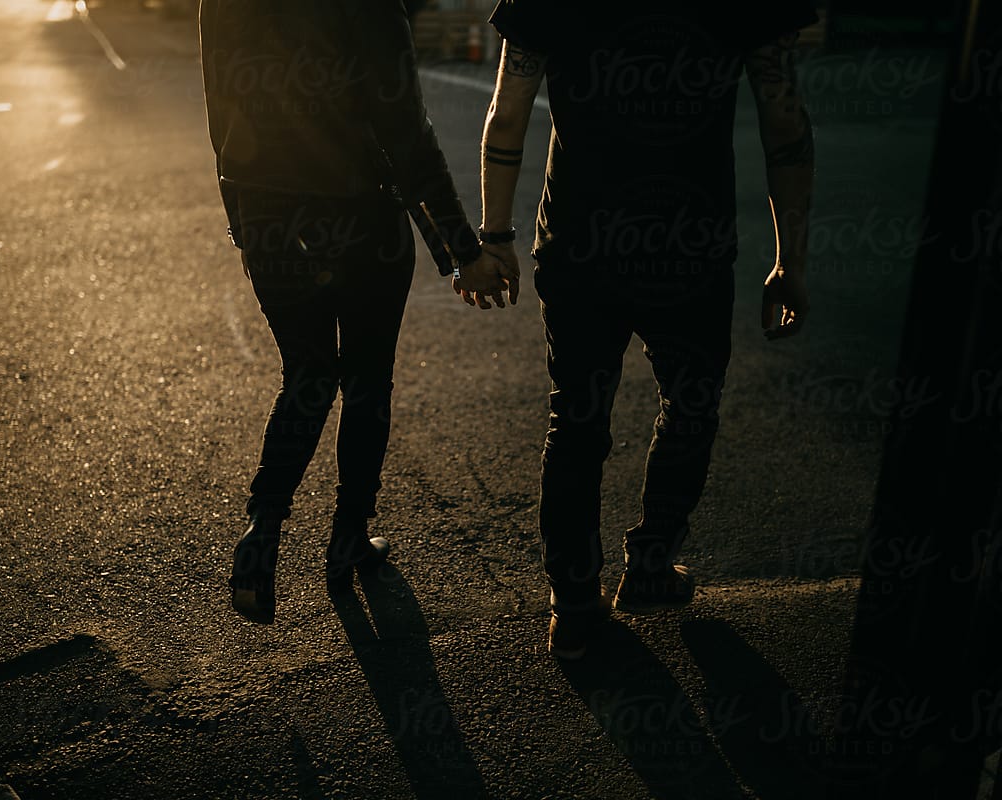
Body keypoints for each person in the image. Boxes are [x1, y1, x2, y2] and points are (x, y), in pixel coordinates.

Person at [479, 0, 817, 657]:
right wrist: (790, 262)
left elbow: (508, 110)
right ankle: (652, 562)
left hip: (580, 244)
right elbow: (785, 122)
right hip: (689, 245)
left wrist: (495, 236)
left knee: (577, 419)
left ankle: (575, 607)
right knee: (690, 404)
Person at [199, 0, 517, 624]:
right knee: (368, 376)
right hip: (359, 213)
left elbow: (220, 106)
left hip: (268, 212)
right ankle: (348, 536)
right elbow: (402, 126)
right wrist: (461, 250)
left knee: (307, 372)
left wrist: (242, 219)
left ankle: (262, 533)